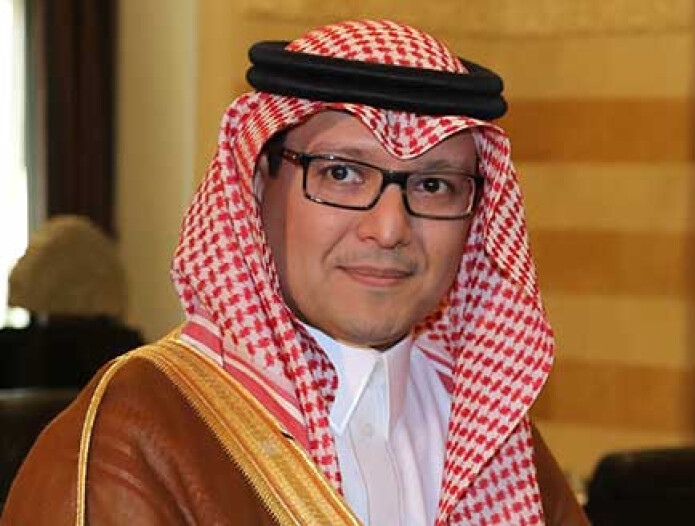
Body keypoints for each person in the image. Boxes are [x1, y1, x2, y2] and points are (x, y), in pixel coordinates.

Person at [1, 20, 588, 525]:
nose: (389, 228)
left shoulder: (493, 438)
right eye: (341, 174)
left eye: (434, 185)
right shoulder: (139, 435)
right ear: (258, 186)